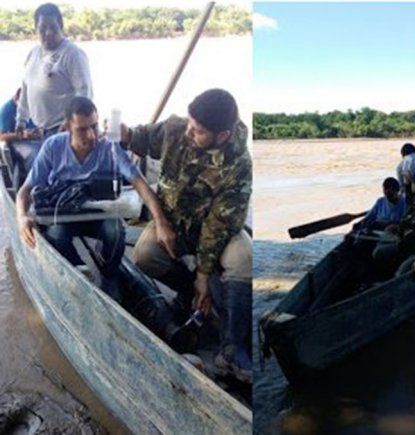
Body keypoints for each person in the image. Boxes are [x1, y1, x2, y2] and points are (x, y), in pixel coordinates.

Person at [120, 89, 252, 382]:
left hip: (215, 229)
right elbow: (141, 138)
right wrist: (124, 132)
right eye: (190, 125)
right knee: (143, 255)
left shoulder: (239, 164)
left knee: (243, 258)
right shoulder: (177, 128)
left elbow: (218, 225)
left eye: (199, 131)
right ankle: (190, 294)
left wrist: (204, 273)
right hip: (173, 221)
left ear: (223, 135)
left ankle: (232, 347)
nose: (189, 133)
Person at [15, 97, 168, 300]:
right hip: (64, 216)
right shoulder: (53, 147)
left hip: (98, 215)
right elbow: (25, 190)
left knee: (115, 232)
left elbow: (140, 184)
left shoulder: (109, 147)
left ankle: (109, 273)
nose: (90, 135)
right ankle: (76, 272)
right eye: (82, 129)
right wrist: (22, 218)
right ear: (68, 126)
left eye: (94, 126)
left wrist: (160, 221)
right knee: (57, 235)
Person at [16, 3, 93, 138]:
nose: (48, 33)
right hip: (36, 130)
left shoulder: (72, 54)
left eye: (53, 27)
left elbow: (85, 92)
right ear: (36, 29)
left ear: (61, 26)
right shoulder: (32, 54)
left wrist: (70, 122)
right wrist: (20, 120)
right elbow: (25, 90)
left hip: (62, 130)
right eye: (43, 28)